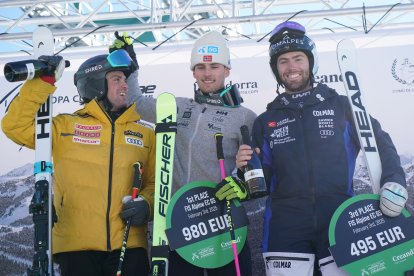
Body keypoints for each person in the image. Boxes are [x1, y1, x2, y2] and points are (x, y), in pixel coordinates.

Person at [235, 21, 408, 276]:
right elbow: (260, 181)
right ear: (276, 69)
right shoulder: (264, 122)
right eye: (283, 61)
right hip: (286, 225)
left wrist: (394, 180)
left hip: (340, 218)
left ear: (311, 63)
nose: (291, 67)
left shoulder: (342, 106)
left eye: (298, 58)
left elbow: (380, 142)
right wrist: (243, 170)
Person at [109, 31, 257, 275]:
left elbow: (256, 171)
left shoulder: (245, 117)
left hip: (223, 227)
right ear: (193, 72)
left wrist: (242, 185)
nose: (207, 73)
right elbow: (134, 102)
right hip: (181, 229)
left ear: (227, 70)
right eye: (200, 67)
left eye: (214, 66)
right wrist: (130, 65)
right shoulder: (177, 107)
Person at [1, 49, 156, 276]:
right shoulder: (65, 127)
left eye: (124, 79)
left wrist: (147, 204)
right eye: (116, 79)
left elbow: (155, 182)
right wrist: (42, 82)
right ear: (95, 84)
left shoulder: (145, 133)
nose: (125, 85)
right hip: (78, 248)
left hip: (129, 246)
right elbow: (15, 126)